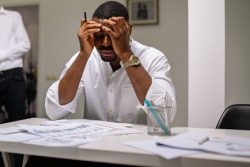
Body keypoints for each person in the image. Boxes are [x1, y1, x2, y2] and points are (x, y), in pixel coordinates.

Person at [26, 1, 176, 166]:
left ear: (128, 31)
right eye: (98, 35)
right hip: (92, 151)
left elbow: (163, 116)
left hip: (136, 153)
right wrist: (84, 54)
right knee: (37, 159)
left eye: (113, 34)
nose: (105, 42)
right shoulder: (86, 56)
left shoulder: (153, 58)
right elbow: (54, 110)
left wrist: (126, 54)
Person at [0, 5, 30, 167]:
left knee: (18, 123)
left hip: (12, 75)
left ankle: (19, 164)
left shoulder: (13, 16)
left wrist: (1, 55)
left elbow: (25, 44)